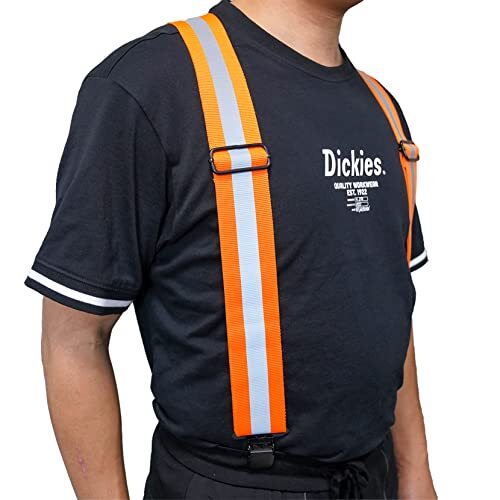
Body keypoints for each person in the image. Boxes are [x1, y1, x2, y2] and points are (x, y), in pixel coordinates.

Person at [25, 0, 437, 498]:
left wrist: (416, 471)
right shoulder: (151, 84)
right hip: (227, 483)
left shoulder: (381, 108)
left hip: (373, 478)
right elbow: (73, 339)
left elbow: (389, 302)